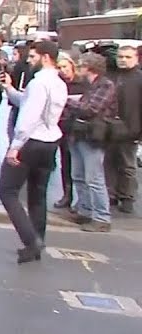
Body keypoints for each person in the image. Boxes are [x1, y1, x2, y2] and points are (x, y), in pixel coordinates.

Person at [0, 40, 67, 264]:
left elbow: (28, 117)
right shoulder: (59, 83)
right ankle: (37, 241)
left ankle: (31, 240)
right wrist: (9, 89)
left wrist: (15, 146)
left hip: (31, 142)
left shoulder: (38, 84)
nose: (29, 60)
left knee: (7, 190)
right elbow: (25, 102)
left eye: (33, 57)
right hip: (50, 141)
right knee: (38, 194)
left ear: (45, 57)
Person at [62, 51, 117, 232]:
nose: (79, 68)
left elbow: (91, 109)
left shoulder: (105, 85)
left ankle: (102, 217)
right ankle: (84, 210)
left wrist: (68, 101)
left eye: (82, 65)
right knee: (78, 175)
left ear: (90, 67)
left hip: (93, 136)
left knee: (94, 178)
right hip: (78, 133)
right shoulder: (88, 85)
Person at [106, 43, 140, 215]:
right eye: (120, 57)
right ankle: (111, 193)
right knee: (109, 163)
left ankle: (127, 197)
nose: (123, 60)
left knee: (127, 165)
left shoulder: (139, 78)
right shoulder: (111, 76)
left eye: (127, 57)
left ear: (136, 59)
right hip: (109, 128)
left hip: (131, 129)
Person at [53, 52, 87, 210]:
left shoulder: (82, 84)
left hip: (80, 128)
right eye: (59, 68)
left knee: (80, 165)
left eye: (65, 67)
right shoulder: (57, 83)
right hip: (62, 127)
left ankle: (82, 200)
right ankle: (67, 195)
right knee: (65, 162)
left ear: (72, 66)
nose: (63, 70)